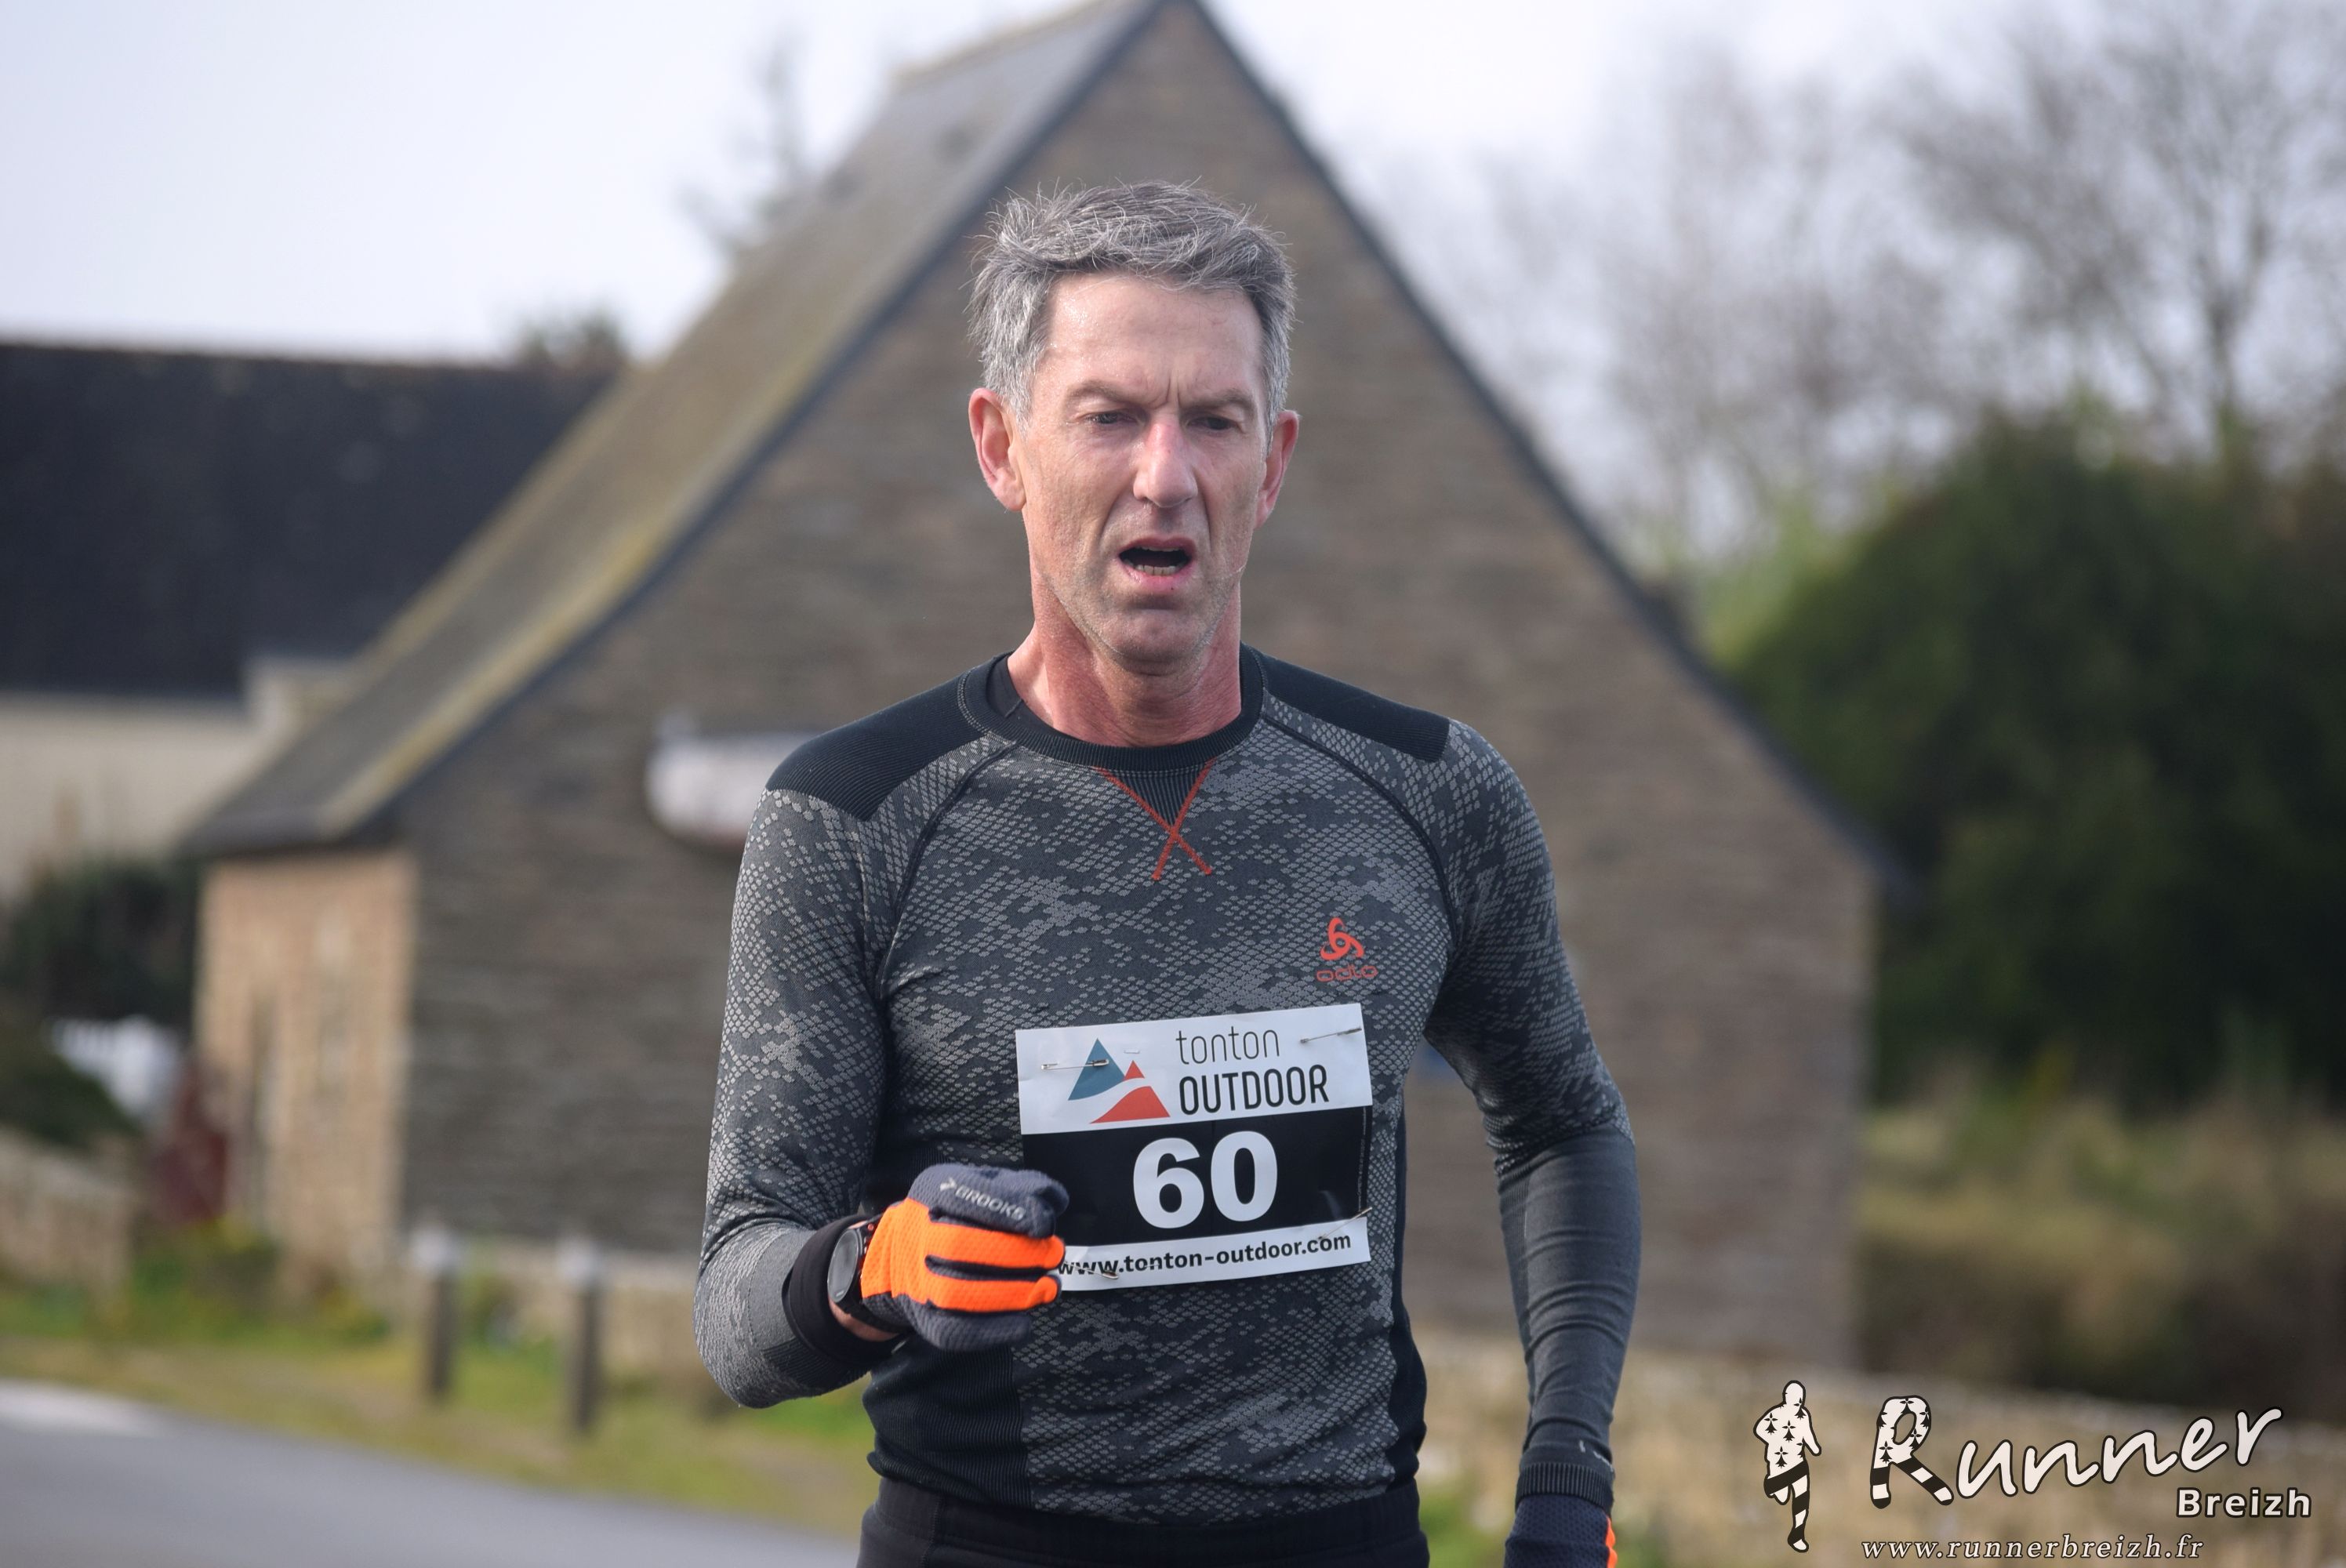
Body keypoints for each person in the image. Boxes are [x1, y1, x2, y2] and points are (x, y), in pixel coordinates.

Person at [695, 180, 1640, 1568]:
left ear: (1275, 462)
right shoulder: (850, 820)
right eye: (1111, 416)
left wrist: (1566, 1476)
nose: (1166, 474)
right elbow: (734, 1301)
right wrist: (870, 1266)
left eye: (1214, 420)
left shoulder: (1432, 793)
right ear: (1001, 446)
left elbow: (1563, 1125)